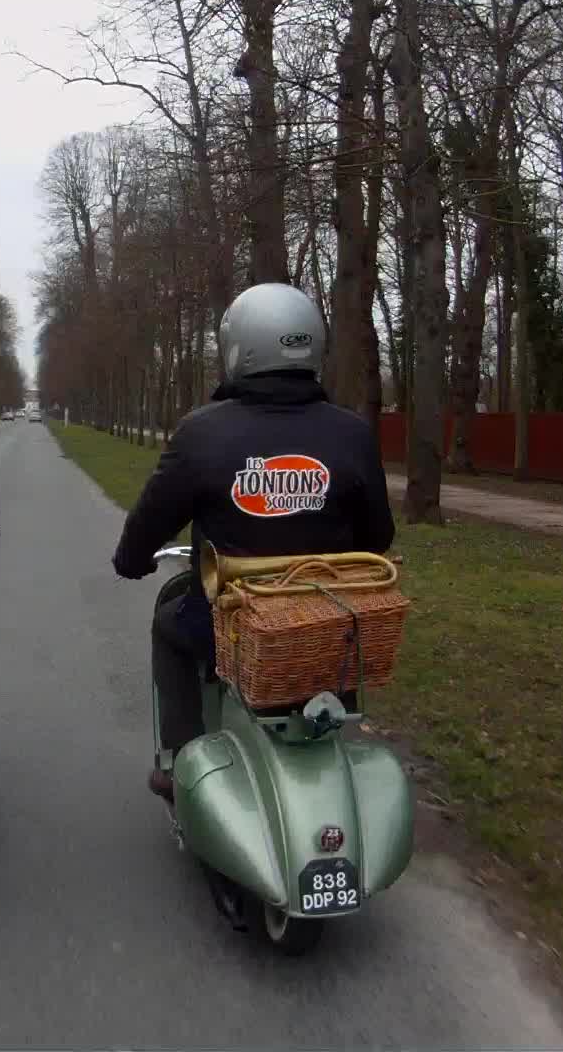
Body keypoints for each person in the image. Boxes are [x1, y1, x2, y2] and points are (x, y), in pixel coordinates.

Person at [110, 282, 396, 801]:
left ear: (239, 348)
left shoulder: (202, 432)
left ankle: (180, 759)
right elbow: (378, 536)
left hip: (228, 622)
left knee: (170, 627)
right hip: (323, 621)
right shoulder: (353, 433)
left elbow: (149, 523)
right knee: (334, 646)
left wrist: (131, 559)